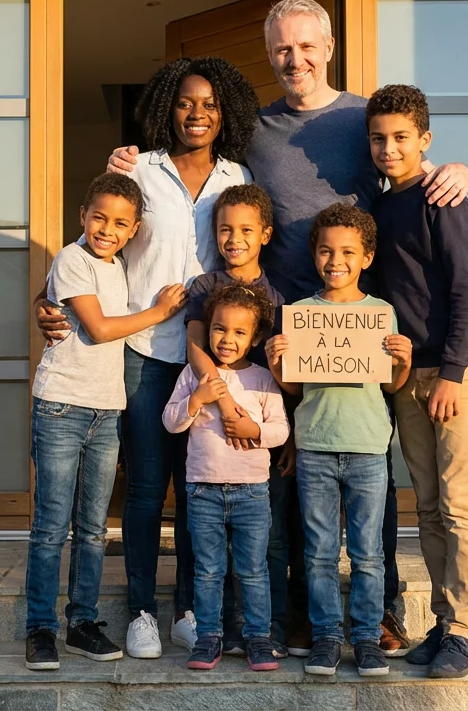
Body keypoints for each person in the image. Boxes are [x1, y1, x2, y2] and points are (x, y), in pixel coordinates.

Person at [105, 0, 468, 657]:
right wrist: (126, 164)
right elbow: (195, 154)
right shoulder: (257, 132)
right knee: (291, 478)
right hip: (275, 328)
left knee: (366, 473)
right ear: (270, 52)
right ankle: (300, 614)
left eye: (306, 46)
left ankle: (379, 612)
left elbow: (403, 170)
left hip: (354, 326)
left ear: (327, 48)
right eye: (281, 47)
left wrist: (454, 169)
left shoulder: (364, 119)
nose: (293, 58)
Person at [40, 57, 263, 660]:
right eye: (187, 102)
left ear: (226, 114)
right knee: (144, 488)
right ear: (169, 107)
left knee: (198, 487)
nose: (198, 113)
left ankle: (190, 609)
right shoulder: (137, 168)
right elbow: (94, 241)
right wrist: (47, 297)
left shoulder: (235, 175)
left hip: (206, 356)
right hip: (141, 353)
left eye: (211, 104)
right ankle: (140, 610)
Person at [23, 173, 188, 672]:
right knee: (52, 526)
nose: (107, 230)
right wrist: (160, 311)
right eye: (99, 218)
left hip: (106, 410)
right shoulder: (72, 259)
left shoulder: (117, 267)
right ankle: (40, 629)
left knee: (93, 529)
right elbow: (97, 329)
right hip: (61, 407)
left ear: (134, 230)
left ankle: (82, 623)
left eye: (120, 224)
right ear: (82, 216)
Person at [366, 84, 468, 679]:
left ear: (425, 141)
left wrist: (450, 373)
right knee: (431, 507)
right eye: (379, 138)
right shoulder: (383, 205)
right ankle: (444, 622)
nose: (389, 149)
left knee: (461, 503)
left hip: (453, 374)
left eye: (400, 138)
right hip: (406, 373)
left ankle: (466, 629)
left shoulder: (444, 198)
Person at [265, 204, 412, 677]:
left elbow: (391, 384)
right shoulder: (302, 314)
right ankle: (327, 635)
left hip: (369, 446)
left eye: (348, 252)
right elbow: (294, 387)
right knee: (320, 550)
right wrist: (276, 364)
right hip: (315, 446)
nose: (336, 260)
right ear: (314, 256)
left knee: (368, 552)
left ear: (366, 258)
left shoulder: (381, 313)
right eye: (326, 251)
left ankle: (367, 637)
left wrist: (404, 360)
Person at [182, 184, 290, 656]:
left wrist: (283, 440)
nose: (234, 238)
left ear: (265, 234)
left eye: (246, 229)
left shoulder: (279, 295)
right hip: (212, 453)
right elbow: (194, 347)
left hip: (259, 451)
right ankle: (214, 631)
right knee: (209, 557)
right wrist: (225, 404)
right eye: (225, 229)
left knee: (266, 549)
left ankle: (266, 632)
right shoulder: (205, 287)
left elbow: (284, 374)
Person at [163, 284, 289, 672]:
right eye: (219, 329)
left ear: (255, 337)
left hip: (252, 492)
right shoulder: (193, 374)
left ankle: (257, 638)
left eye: (238, 332)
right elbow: (171, 421)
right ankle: (208, 638)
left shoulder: (262, 379)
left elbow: (281, 430)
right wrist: (196, 400)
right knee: (208, 569)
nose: (227, 339)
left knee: (253, 569)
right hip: (203, 489)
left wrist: (254, 430)